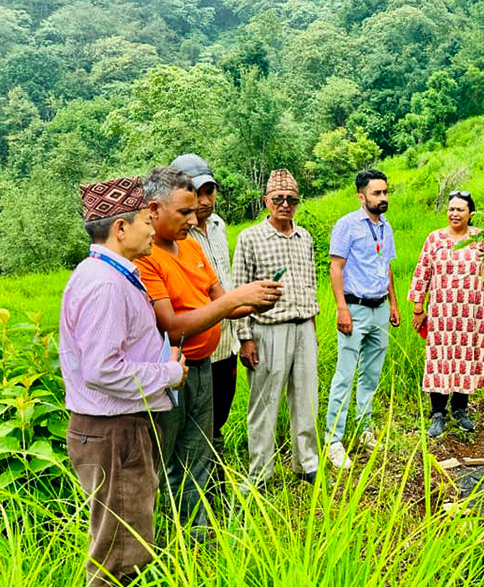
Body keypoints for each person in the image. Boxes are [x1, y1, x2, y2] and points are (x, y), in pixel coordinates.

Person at [134, 166, 282, 539]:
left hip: (203, 366)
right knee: (163, 459)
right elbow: (171, 325)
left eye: (194, 209)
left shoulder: (191, 246)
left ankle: (197, 535)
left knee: (198, 453)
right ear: (153, 210)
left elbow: (221, 302)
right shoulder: (145, 257)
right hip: (168, 373)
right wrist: (235, 299)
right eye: (183, 211)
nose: (193, 217)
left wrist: (254, 302)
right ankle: (154, 539)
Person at [61, 176, 188, 586]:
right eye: (144, 220)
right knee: (120, 557)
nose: (153, 228)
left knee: (125, 543)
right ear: (120, 228)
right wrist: (168, 373)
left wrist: (157, 358)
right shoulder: (105, 284)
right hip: (113, 432)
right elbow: (102, 370)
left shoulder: (108, 274)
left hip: (118, 429)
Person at [234, 169, 320, 484]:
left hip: (303, 327)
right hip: (267, 330)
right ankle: (260, 473)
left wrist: (312, 329)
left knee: (307, 399)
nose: (285, 204)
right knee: (264, 404)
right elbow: (240, 287)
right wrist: (245, 338)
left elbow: (310, 285)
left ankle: (307, 464)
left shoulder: (304, 237)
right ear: (266, 201)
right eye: (278, 199)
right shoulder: (250, 237)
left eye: (291, 200)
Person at [407, 190, 484, 437]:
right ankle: (438, 414)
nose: (454, 214)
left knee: (466, 358)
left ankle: (460, 410)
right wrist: (418, 308)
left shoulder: (481, 239)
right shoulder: (434, 239)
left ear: (470, 214)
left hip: (470, 314)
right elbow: (422, 273)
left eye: (460, 210)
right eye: (451, 209)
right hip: (441, 313)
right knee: (439, 359)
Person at [325, 168, 401, 468]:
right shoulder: (347, 225)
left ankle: (364, 428)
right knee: (345, 375)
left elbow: (387, 267)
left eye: (385, 192)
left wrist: (393, 305)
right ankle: (334, 440)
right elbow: (335, 268)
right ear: (361, 196)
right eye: (376, 193)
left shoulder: (386, 227)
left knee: (371, 374)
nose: (383, 198)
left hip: (379, 308)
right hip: (354, 309)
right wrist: (342, 309)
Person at [171, 154, 239, 447]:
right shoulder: (175, 238)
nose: (204, 201)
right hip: (196, 350)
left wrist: (243, 337)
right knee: (197, 425)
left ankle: (216, 477)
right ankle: (204, 484)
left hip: (227, 343)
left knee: (219, 416)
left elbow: (225, 281)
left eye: (208, 191)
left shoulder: (219, 226)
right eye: (195, 193)